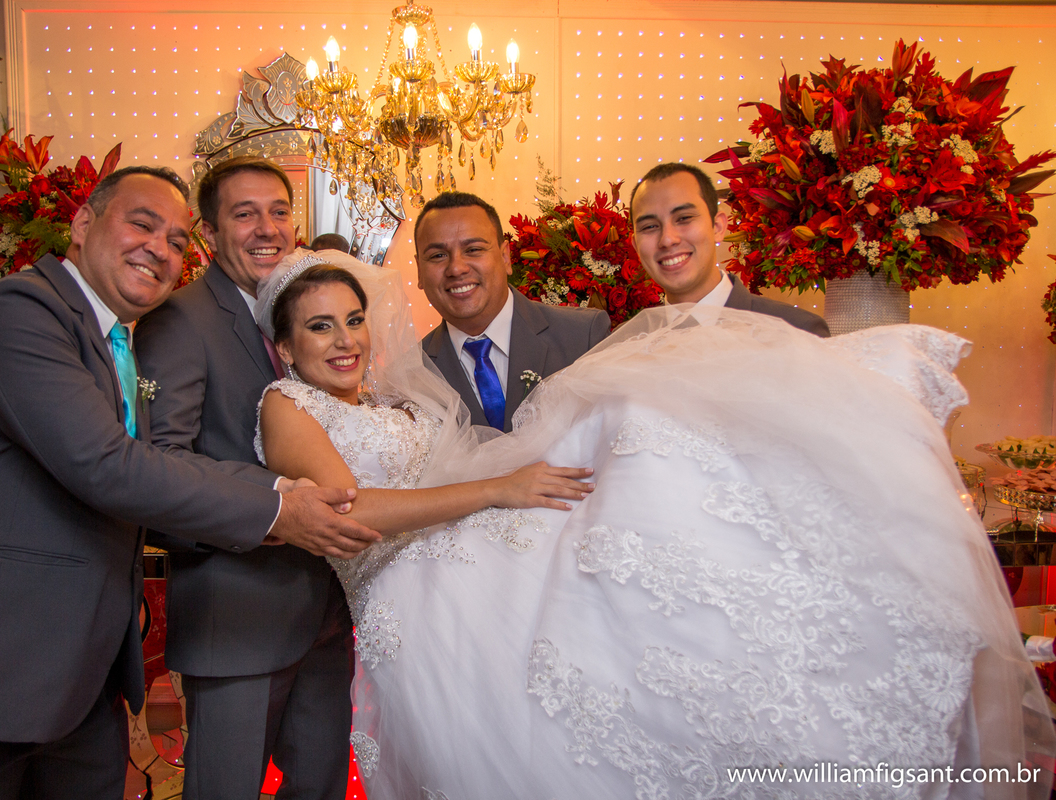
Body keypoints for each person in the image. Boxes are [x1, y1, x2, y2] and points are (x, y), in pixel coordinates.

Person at [255, 249, 1053, 800]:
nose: (346, 340)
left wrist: (523, 464)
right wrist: (504, 488)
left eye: (353, 320)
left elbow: (466, 460)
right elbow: (350, 512)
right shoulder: (287, 405)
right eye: (320, 326)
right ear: (284, 345)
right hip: (413, 587)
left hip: (464, 537)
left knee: (638, 450)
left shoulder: (389, 400)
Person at [0, 167, 379, 800]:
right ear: (82, 224)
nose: (160, 249)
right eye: (141, 224)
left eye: (174, 239)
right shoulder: (18, 312)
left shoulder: (112, 339)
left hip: (80, 674)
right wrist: (277, 505)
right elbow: (109, 464)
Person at [134, 156, 367, 799]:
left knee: (317, 786)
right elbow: (160, 466)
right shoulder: (180, 320)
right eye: (245, 214)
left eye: (279, 211)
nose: (267, 228)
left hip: (328, 609)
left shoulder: (306, 310)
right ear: (210, 231)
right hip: (237, 614)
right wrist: (278, 503)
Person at [415, 191, 611, 432]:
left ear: (505, 256)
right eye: (438, 255)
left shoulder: (584, 336)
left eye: (473, 249)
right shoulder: (413, 373)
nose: (456, 268)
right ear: (419, 271)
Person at [630, 163, 830, 336]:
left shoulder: (796, 330)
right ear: (635, 246)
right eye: (649, 227)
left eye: (684, 218)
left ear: (718, 227)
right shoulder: (624, 344)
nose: (667, 239)